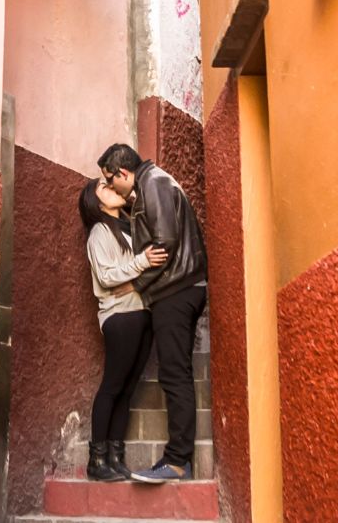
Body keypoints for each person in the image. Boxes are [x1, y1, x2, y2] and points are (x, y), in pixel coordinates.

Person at [97, 143, 208, 483]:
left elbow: (164, 244)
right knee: (176, 373)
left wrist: (137, 285)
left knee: (174, 375)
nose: (112, 187)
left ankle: (176, 461)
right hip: (178, 289)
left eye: (110, 180)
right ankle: (177, 460)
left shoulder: (154, 183)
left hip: (175, 291)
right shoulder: (150, 184)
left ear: (123, 172)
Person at [78, 177, 169, 481]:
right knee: (112, 387)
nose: (111, 188)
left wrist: (136, 279)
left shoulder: (128, 227)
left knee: (128, 389)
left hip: (142, 313)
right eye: (104, 187)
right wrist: (142, 263)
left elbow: (137, 277)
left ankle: (115, 459)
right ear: (96, 202)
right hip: (120, 317)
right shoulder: (99, 233)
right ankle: (97, 461)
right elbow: (106, 277)